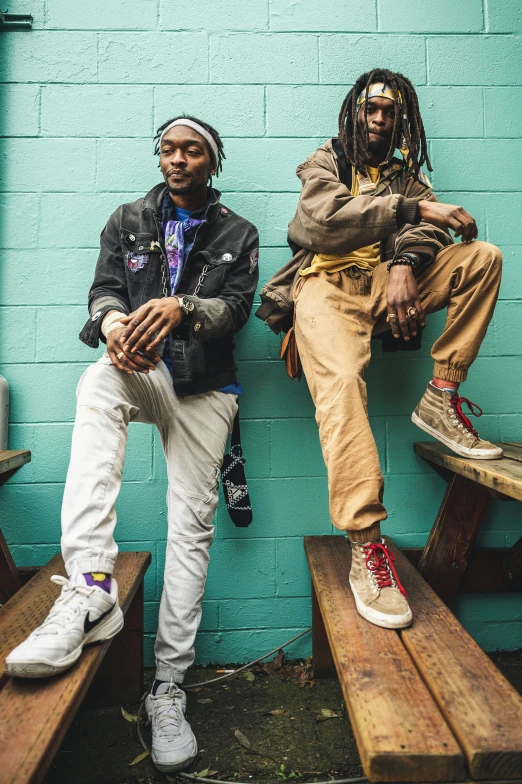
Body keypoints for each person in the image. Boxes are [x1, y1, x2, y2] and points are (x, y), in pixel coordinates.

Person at [6, 115, 259, 774]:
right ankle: (90, 588)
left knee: (191, 529)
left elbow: (234, 308)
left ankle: (167, 687)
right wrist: (113, 321)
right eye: (169, 149)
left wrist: (185, 309)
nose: (178, 159)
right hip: (140, 369)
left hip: (207, 390)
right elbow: (103, 292)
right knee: (96, 384)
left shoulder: (239, 233)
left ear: (213, 160)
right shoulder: (126, 220)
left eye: (192, 149)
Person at [256, 69, 502, 631]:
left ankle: (442, 394)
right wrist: (413, 211)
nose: (380, 120)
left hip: (385, 287)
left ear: (403, 121)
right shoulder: (326, 163)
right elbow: (321, 224)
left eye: (391, 113)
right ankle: (366, 546)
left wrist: (402, 264)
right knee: (341, 389)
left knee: (482, 257)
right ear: (353, 112)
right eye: (371, 109)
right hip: (326, 290)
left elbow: (430, 236)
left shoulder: (405, 176)